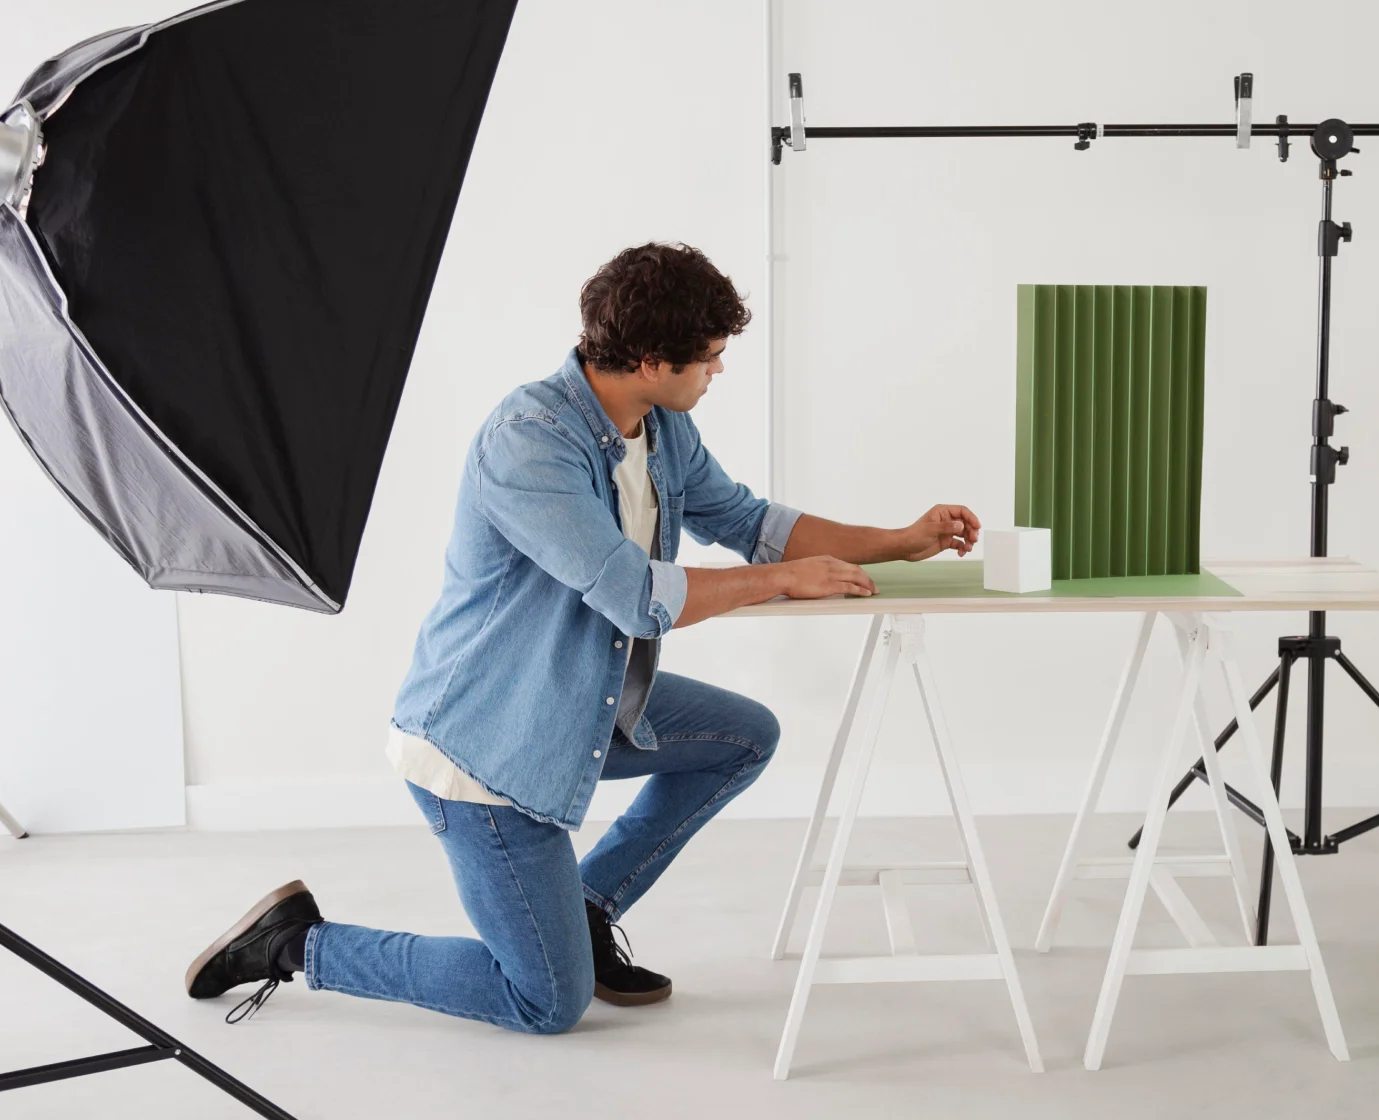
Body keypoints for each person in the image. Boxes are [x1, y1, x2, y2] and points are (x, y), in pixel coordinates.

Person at [182, 242, 981, 1032]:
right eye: (706, 358)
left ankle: (582, 909)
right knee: (543, 1001)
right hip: (487, 749)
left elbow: (746, 521)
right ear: (645, 358)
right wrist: (778, 581)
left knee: (743, 737)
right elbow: (633, 596)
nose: (718, 371)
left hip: (581, 702)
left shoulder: (661, 428)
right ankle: (293, 944)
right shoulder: (529, 442)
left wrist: (898, 538)